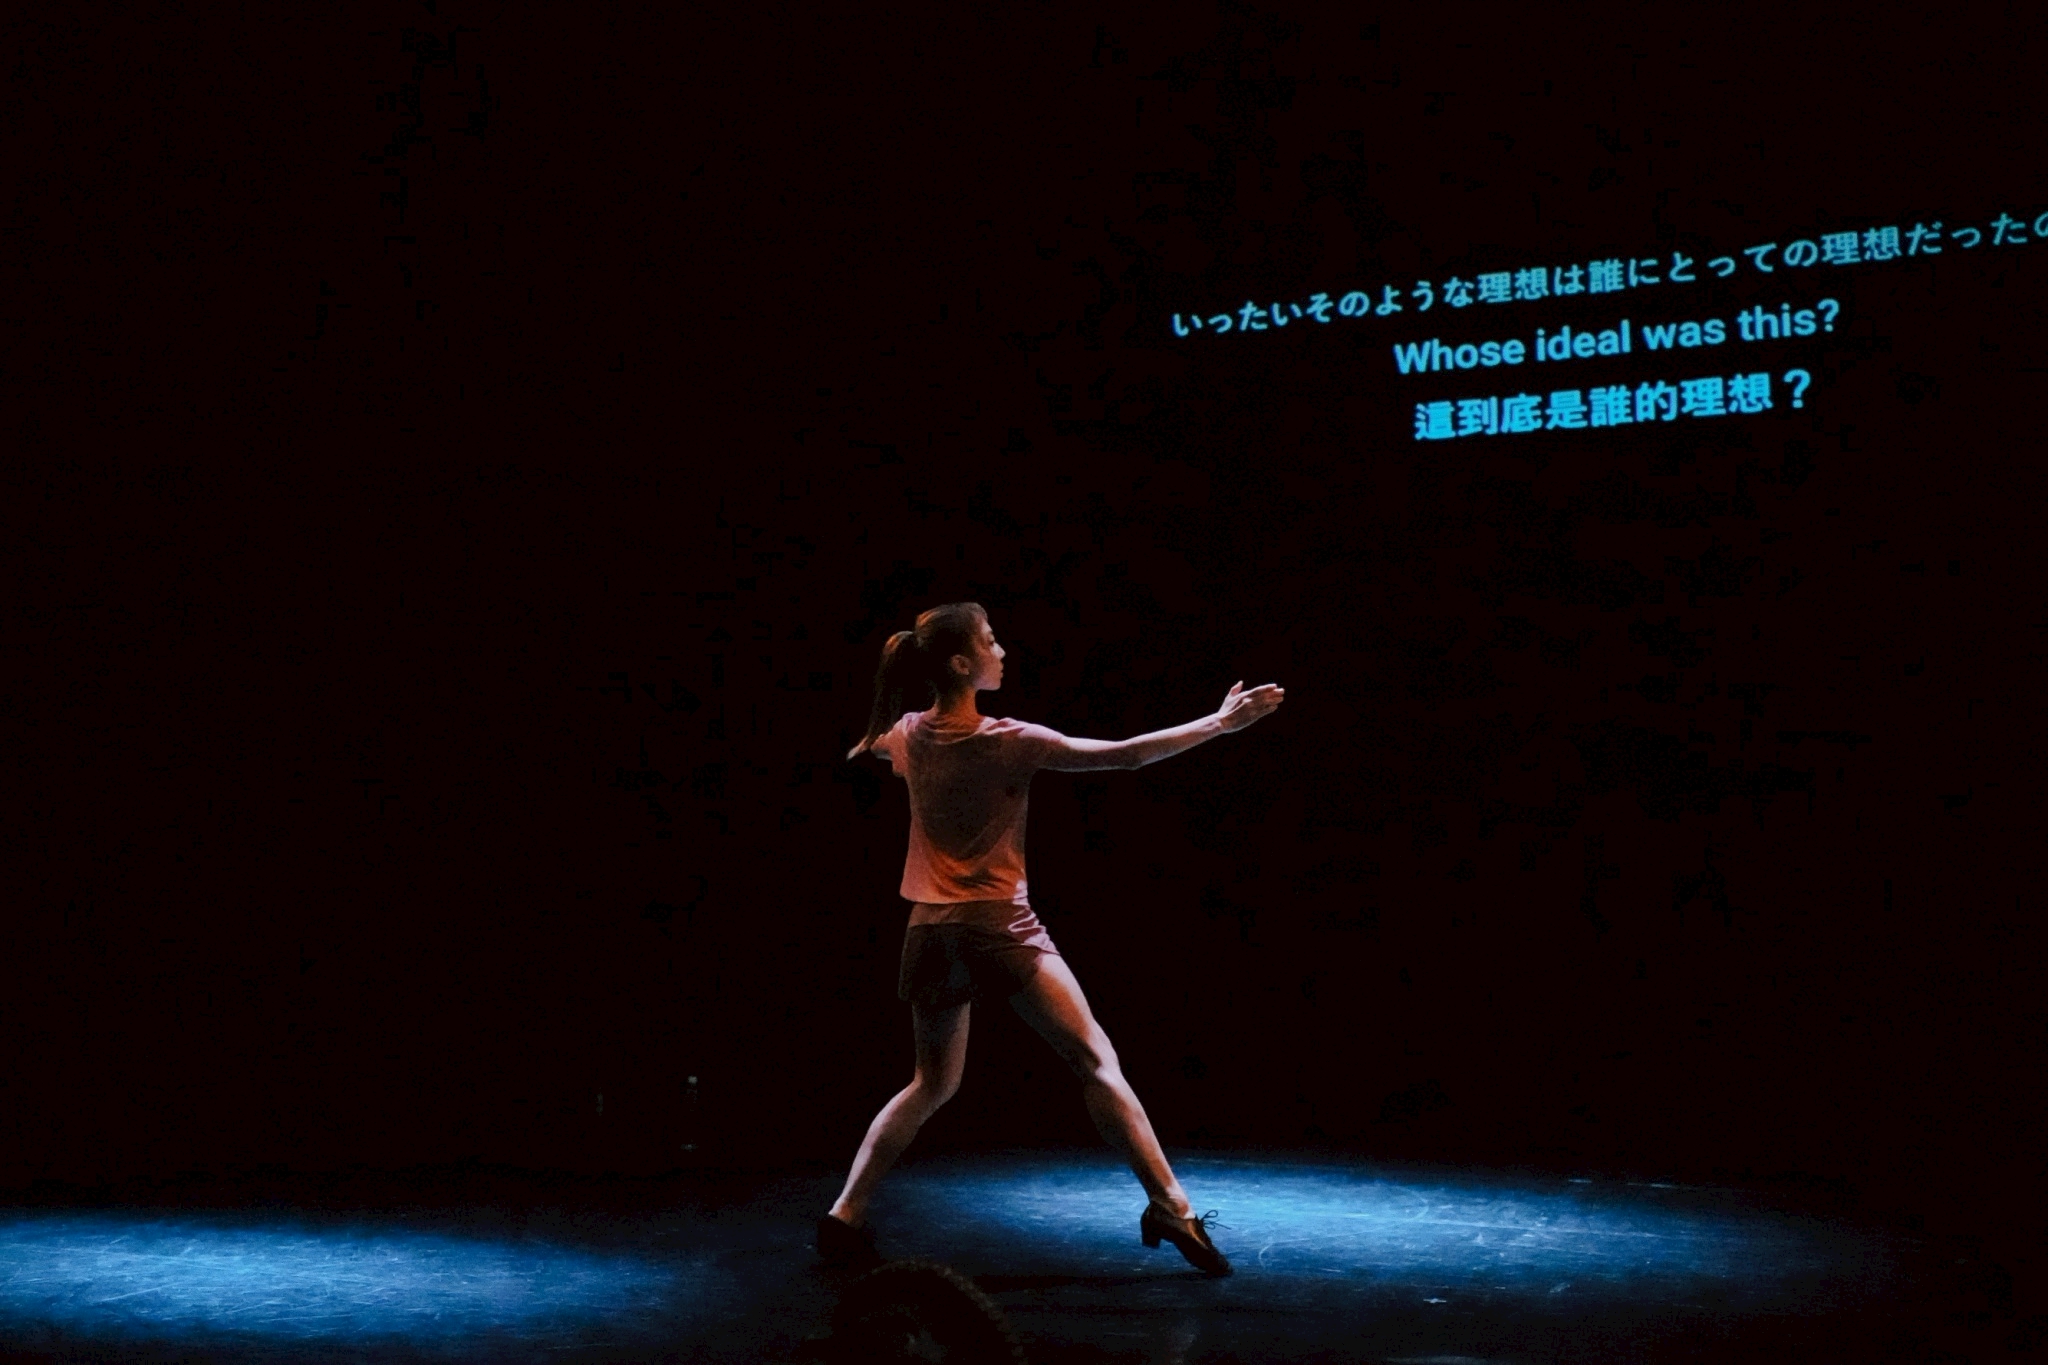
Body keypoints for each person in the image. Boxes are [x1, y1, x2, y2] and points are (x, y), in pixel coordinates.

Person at [818, 601, 1284, 1276]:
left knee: (931, 1083)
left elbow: (873, 749)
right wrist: (1219, 722)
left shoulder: (909, 734)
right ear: (961, 664)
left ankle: (845, 1212)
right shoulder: (1011, 739)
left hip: (930, 932)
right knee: (1095, 1061)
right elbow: (1125, 756)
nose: (1002, 650)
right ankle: (1171, 1205)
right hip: (1000, 929)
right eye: (990, 641)